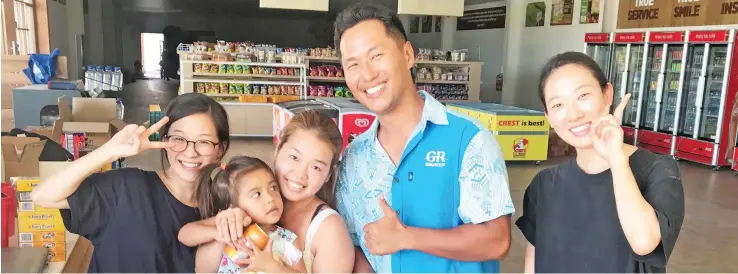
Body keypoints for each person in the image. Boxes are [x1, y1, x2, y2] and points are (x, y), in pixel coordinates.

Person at [333, 3, 515, 273]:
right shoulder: (354, 157)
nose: (368, 74)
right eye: (353, 65)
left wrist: (407, 237)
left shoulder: (469, 140)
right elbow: (352, 244)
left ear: (407, 55)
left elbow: (497, 240)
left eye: (377, 55)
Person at [515, 51, 685, 273]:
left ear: (607, 95)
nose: (573, 114)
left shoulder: (657, 170)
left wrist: (616, 159)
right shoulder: (544, 184)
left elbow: (644, 242)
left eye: (583, 96)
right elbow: (534, 262)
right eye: (558, 105)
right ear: (548, 117)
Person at [30, 93, 231, 272]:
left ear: (220, 149)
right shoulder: (127, 189)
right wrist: (109, 151)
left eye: (204, 142)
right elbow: (44, 196)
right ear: (164, 140)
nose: (190, 151)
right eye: (179, 139)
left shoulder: (225, 209)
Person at [192, 110, 355, 273]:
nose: (300, 174)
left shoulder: (329, 230)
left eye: (316, 167)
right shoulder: (247, 199)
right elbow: (203, 269)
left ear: (328, 175)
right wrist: (225, 230)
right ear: (278, 148)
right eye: (294, 158)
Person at [178, 156, 300, 273]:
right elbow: (184, 234)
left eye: (273, 187)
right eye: (257, 194)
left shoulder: (287, 239)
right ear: (232, 207)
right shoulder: (229, 228)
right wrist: (219, 234)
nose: (270, 198)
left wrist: (275, 269)